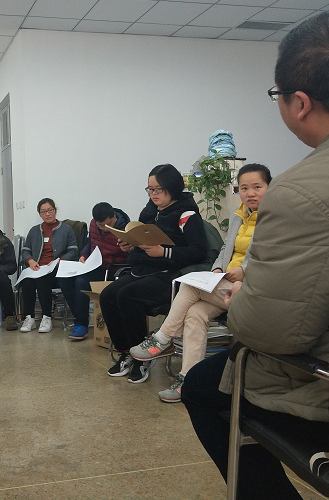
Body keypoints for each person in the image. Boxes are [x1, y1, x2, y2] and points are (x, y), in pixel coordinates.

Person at [182, 10, 329, 499]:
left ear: (299, 103)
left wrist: (240, 299)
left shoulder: (305, 192)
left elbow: (269, 332)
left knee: (203, 387)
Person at [129, 164, 271, 402]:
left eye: (257, 187)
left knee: (189, 285)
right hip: (227, 283)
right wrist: (217, 268)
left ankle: (163, 338)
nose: (250, 193)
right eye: (244, 188)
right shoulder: (239, 216)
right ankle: (188, 381)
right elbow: (226, 248)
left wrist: (244, 271)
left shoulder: (274, 219)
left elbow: (271, 256)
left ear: (270, 187)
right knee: (195, 313)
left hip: (253, 289)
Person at [101, 164, 208, 384]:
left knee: (127, 295)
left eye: (158, 189)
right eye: (150, 189)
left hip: (171, 275)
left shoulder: (187, 214)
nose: (153, 194)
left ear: (172, 187)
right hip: (144, 269)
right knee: (108, 295)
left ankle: (143, 357)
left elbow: (199, 251)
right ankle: (127, 352)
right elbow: (142, 241)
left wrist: (164, 252)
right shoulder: (149, 212)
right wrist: (130, 245)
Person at [57, 202, 130, 340]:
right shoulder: (94, 224)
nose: (103, 228)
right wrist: (84, 255)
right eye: (100, 225)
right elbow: (90, 242)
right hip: (94, 265)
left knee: (81, 282)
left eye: (107, 224)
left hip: (112, 269)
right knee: (64, 278)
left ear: (114, 217)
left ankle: (81, 324)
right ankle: (80, 316)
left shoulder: (125, 229)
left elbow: (130, 254)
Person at [19, 198, 79, 334]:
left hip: (56, 269)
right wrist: (30, 260)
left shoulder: (66, 229)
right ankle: (29, 318)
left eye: (50, 210)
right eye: (43, 212)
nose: (47, 214)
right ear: (40, 214)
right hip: (36, 268)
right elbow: (26, 250)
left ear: (55, 210)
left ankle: (46, 317)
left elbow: (73, 251)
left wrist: (59, 260)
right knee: (27, 281)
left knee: (42, 279)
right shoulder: (34, 230)